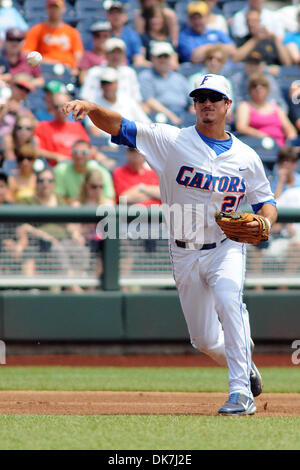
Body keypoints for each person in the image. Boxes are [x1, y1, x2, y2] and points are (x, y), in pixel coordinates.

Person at [63, 73, 278, 415]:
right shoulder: (171, 140)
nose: (207, 103)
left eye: (214, 98)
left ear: (227, 105)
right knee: (204, 341)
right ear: (194, 104)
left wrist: (265, 221)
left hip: (225, 246)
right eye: (201, 97)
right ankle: (244, 361)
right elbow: (121, 126)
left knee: (229, 300)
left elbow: (266, 202)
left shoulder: (247, 156)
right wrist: (91, 108)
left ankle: (241, 393)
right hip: (183, 251)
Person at [18, 167, 90, 290]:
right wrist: (41, 234)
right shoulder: (27, 201)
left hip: (64, 239)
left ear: (54, 183)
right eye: (42, 180)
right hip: (41, 243)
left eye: (49, 181)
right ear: (36, 183)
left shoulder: (60, 200)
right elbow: (22, 225)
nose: (45, 184)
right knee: (58, 249)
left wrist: (75, 233)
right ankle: (73, 288)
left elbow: (69, 222)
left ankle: (77, 283)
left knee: (80, 249)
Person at [84, 67, 150, 137]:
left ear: (116, 84)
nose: (107, 87)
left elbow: (146, 123)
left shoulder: (128, 101)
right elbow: (92, 129)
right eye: (104, 83)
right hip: (105, 146)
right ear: (100, 85)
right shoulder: (94, 104)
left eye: (110, 83)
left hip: (130, 143)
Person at [235, 73, 297, 147]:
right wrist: (260, 134)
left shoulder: (276, 108)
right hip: (257, 146)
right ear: (249, 89)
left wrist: (289, 144)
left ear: (267, 89)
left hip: (279, 148)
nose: (258, 88)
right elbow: (241, 127)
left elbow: (291, 131)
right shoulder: (245, 106)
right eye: (254, 85)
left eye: (263, 85)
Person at [138, 42, 191, 125]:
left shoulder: (179, 78)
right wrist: (170, 115)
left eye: (166, 56)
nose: (163, 60)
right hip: (159, 118)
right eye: (159, 56)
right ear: (152, 58)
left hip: (183, 114)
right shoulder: (146, 76)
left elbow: (191, 100)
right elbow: (149, 101)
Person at [79, 38, 143, 107]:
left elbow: (137, 99)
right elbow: (85, 97)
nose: (116, 56)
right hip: (99, 111)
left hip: (126, 112)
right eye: (112, 52)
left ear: (124, 55)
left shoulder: (129, 73)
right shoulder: (94, 72)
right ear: (105, 54)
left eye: (119, 52)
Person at [23, 0, 84, 70]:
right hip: (45, 69)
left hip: (67, 70)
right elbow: (27, 53)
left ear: (63, 9)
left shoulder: (72, 32)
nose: (54, 10)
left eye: (56, 7)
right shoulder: (37, 30)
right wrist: (47, 62)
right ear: (47, 9)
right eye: (51, 7)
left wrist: (74, 68)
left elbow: (78, 54)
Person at [34, 92, 90, 165]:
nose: (61, 110)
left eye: (65, 106)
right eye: (57, 107)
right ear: (51, 107)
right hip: (55, 167)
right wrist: (56, 157)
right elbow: (36, 150)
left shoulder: (77, 126)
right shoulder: (43, 126)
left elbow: (88, 148)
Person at [54, 139, 115, 204]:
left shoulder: (101, 171)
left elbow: (110, 198)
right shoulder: (61, 170)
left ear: (91, 154)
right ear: (71, 153)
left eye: (84, 153)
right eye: (76, 152)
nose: (79, 156)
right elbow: (59, 198)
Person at [105, 1, 147, 67]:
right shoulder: (101, 34)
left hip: (127, 70)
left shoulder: (132, 35)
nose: (116, 16)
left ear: (125, 17)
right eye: (112, 13)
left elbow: (138, 57)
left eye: (119, 13)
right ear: (108, 16)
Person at [0, 73, 36, 138]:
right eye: (20, 87)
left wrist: (20, 113)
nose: (23, 92)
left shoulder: (25, 109)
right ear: (11, 84)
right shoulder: (2, 100)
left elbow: (36, 126)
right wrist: (4, 110)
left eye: (27, 90)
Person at [78, 21, 111, 85]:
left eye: (105, 36)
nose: (101, 39)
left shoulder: (116, 54)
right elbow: (83, 79)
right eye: (97, 36)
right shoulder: (87, 56)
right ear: (93, 38)